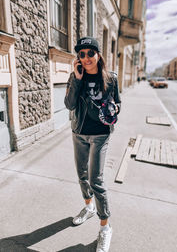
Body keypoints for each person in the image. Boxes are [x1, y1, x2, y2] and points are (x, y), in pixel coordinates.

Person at [64, 36, 121, 252]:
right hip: (79, 132)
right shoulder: (75, 76)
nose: (86, 58)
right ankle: (88, 207)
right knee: (81, 175)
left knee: (96, 179)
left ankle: (105, 228)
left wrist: (113, 110)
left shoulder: (111, 79)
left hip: (100, 135)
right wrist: (77, 79)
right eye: (82, 54)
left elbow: (118, 104)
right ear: (78, 58)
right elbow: (69, 104)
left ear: (98, 55)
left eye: (90, 53)